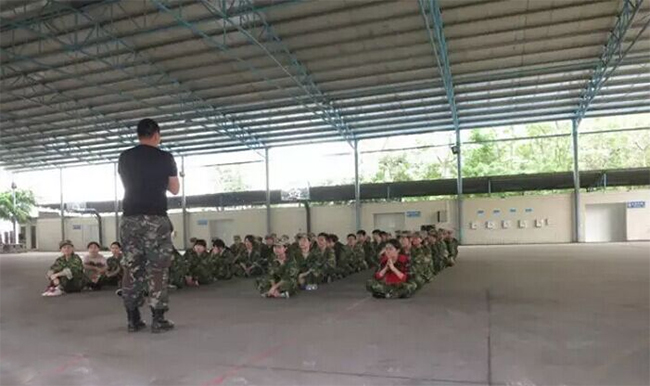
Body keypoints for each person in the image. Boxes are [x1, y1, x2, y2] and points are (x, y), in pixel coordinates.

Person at [118, 118, 179, 333]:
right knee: (158, 268)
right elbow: (174, 189)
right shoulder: (165, 157)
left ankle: (133, 318)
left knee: (132, 267)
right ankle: (158, 318)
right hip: (155, 218)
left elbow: (128, 183)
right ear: (156, 135)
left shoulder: (125, 157)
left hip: (130, 218)